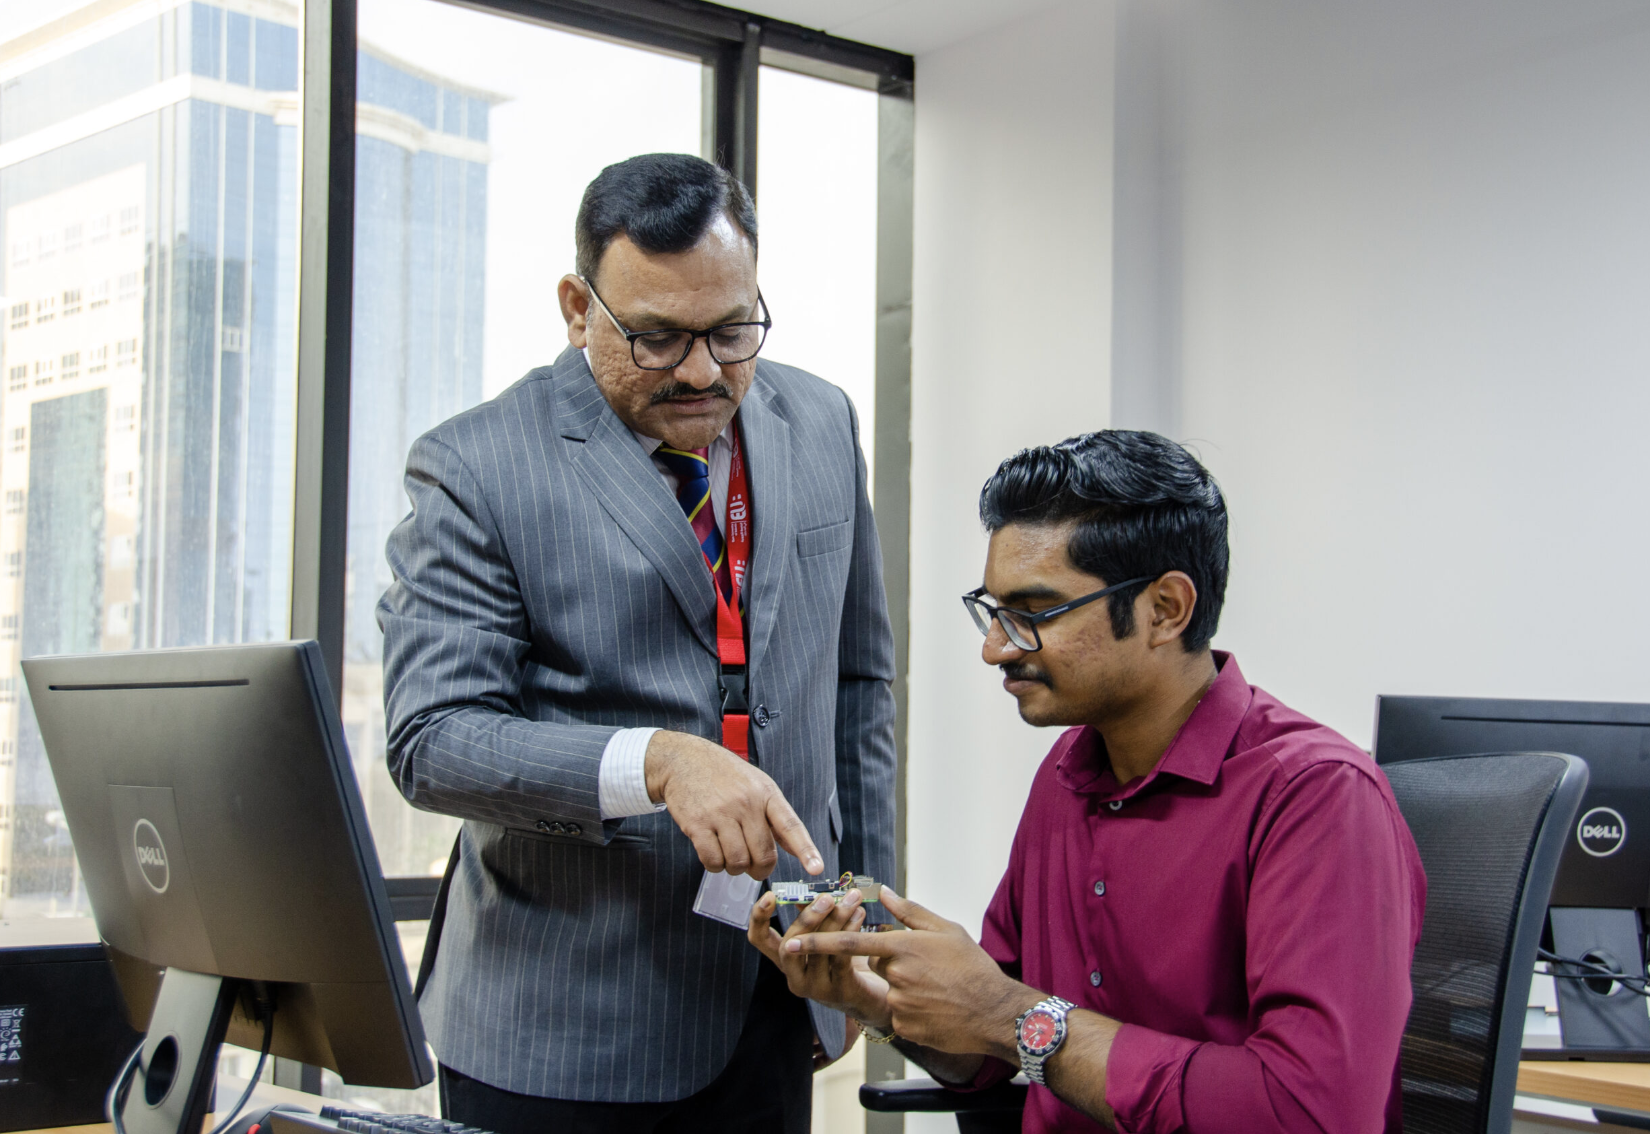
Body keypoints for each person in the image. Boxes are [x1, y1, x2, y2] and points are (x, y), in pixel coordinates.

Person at [379, 152, 897, 1133]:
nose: (701, 371)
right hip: (563, 1027)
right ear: (579, 309)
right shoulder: (476, 466)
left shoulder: (822, 421)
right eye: (656, 338)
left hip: (774, 992)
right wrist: (654, 762)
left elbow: (858, 686)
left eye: (732, 330)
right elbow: (432, 740)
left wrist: (862, 918)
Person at [749, 430, 1425, 1133]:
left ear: (1165, 609)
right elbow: (990, 1054)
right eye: (993, 612)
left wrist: (1007, 1014)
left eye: (1032, 614)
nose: (995, 649)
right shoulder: (1068, 773)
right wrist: (872, 1001)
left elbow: (1311, 1112)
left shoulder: (1317, 797)